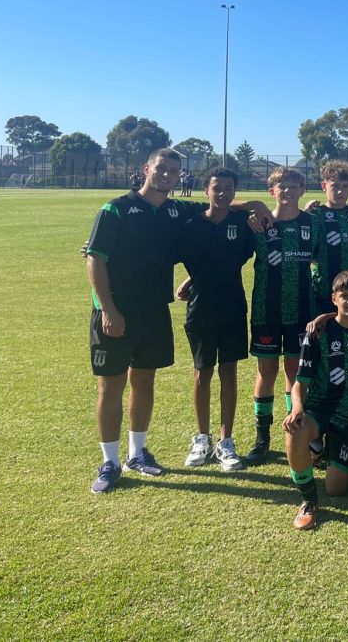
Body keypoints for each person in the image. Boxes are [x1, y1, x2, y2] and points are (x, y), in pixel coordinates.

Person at [85, 148, 269, 493]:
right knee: (110, 387)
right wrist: (107, 309)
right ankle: (109, 462)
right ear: (146, 169)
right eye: (161, 168)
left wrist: (256, 206)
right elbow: (95, 260)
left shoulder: (176, 210)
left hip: (153, 310)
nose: (167, 174)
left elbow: (220, 209)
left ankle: (137, 454)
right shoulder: (116, 209)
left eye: (174, 170)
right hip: (115, 311)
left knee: (143, 382)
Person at [283, 271, 348, 530]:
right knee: (296, 429)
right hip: (320, 409)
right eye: (344, 296)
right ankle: (308, 500)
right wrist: (298, 408)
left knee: (336, 489)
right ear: (333, 299)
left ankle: (321, 448)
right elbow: (300, 382)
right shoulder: (318, 334)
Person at [176, 167, 255, 470]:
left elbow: (233, 257)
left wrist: (256, 206)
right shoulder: (191, 223)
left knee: (229, 373)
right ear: (205, 190)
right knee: (202, 373)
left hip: (233, 306)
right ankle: (201, 439)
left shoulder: (241, 223)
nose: (222, 193)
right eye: (216, 188)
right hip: (200, 309)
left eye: (228, 188)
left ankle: (226, 441)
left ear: (235, 191)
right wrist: (189, 280)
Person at [246, 168, 320, 466]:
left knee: (295, 372)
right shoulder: (258, 222)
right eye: (281, 187)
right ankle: (262, 436)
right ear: (271, 190)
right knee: (267, 372)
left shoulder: (311, 224)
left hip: (302, 310)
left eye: (293, 186)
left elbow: (320, 259)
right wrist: (252, 205)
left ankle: (298, 433)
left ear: (302, 190)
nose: (287, 191)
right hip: (266, 309)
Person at [311, 160, 348, 316]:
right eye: (335, 186)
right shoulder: (315, 214)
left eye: (345, 186)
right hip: (322, 290)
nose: (340, 192)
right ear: (324, 186)